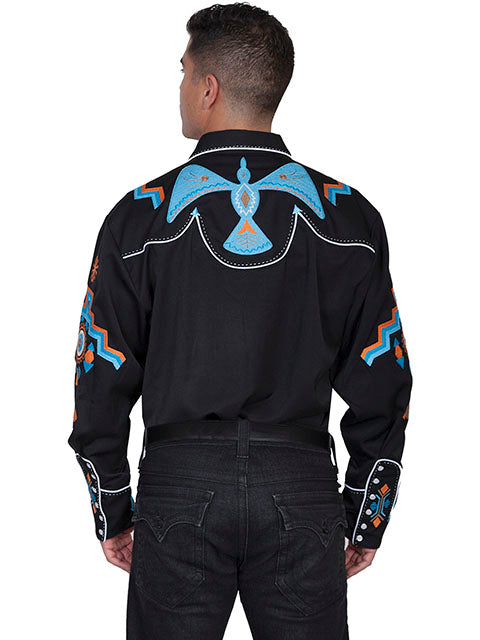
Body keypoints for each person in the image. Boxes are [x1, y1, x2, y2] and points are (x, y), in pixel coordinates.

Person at [68, 3, 413, 638]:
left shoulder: (140, 218)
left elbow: (101, 369)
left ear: (209, 88)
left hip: (178, 482)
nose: (178, 87)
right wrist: (367, 510)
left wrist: (112, 503)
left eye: (182, 71)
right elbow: (383, 376)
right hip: (301, 484)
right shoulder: (349, 219)